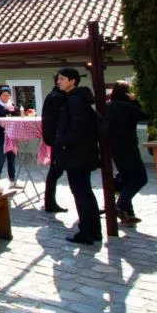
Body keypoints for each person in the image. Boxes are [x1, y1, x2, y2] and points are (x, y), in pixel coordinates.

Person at [50, 67, 102, 245]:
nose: (59, 81)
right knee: (85, 191)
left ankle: (86, 232)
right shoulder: (76, 99)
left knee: (80, 192)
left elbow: (78, 127)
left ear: (72, 81)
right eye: (59, 78)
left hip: (77, 155)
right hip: (81, 153)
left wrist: (63, 142)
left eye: (63, 79)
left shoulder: (74, 100)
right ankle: (94, 230)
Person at [108, 81, 149, 225]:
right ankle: (120, 205)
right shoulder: (128, 107)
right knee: (140, 178)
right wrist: (136, 100)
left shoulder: (108, 106)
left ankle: (128, 214)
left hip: (114, 148)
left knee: (126, 178)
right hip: (128, 147)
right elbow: (145, 115)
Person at [41, 76, 68, 213]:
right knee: (56, 170)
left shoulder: (52, 95)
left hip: (55, 139)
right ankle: (50, 202)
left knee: (55, 170)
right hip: (59, 140)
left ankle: (50, 202)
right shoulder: (58, 98)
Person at [0, 87, 20, 184]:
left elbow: (18, 113)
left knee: (12, 157)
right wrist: (7, 110)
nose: (6, 97)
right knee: (1, 156)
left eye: (8, 95)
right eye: (4, 95)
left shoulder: (11, 104)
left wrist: (14, 109)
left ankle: (12, 180)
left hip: (11, 133)